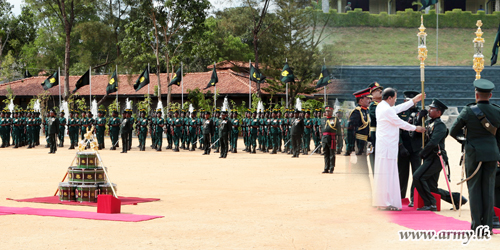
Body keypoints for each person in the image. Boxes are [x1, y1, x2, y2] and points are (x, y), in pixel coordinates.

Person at [450, 79, 500, 232]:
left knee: (475, 189)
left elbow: (453, 132)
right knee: (489, 189)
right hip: (492, 153)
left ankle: (477, 226)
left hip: (474, 154)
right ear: (490, 95)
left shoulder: (468, 110)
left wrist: (466, 142)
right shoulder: (498, 111)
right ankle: (488, 227)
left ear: (476, 95)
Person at [373, 88, 425, 211]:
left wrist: (414, 100)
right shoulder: (386, 109)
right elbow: (400, 123)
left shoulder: (382, 106)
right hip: (387, 147)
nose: (395, 101)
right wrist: (416, 128)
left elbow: (397, 109)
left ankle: (383, 202)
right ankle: (385, 202)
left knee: (385, 174)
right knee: (387, 175)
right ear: (389, 98)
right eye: (395, 98)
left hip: (385, 147)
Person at [413, 99, 468, 211]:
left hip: (436, 158)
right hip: (430, 157)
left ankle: (431, 203)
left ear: (439, 112)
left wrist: (422, 153)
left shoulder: (440, 126)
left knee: (418, 177)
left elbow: (433, 142)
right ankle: (457, 198)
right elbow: (416, 134)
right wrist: (419, 119)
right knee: (432, 187)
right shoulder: (428, 123)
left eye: (432, 108)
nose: (429, 110)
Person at [397, 91, 423, 207]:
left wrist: (422, 118)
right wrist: (400, 145)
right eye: (410, 101)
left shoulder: (420, 112)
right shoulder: (400, 113)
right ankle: (401, 197)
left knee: (416, 174)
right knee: (402, 174)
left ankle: (414, 198)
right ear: (404, 101)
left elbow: (423, 129)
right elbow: (396, 130)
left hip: (416, 147)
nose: (413, 104)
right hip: (403, 147)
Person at [367, 82, 384, 173]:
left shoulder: (384, 104)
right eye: (377, 90)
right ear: (372, 93)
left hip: (383, 134)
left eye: (381, 90)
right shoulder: (373, 106)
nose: (380, 91)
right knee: (376, 158)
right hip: (376, 135)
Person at [321, 105, 341, 174]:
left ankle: (331, 168)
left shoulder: (335, 119)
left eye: (329, 111)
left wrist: (339, 139)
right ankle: (326, 168)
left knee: (332, 154)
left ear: (332, 112)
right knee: (326, 153)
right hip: (324, 138)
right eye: (326, 111)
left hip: (332, 138)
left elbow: (338, 130)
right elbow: (321, 129)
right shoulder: (322, 119)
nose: (327, 112)